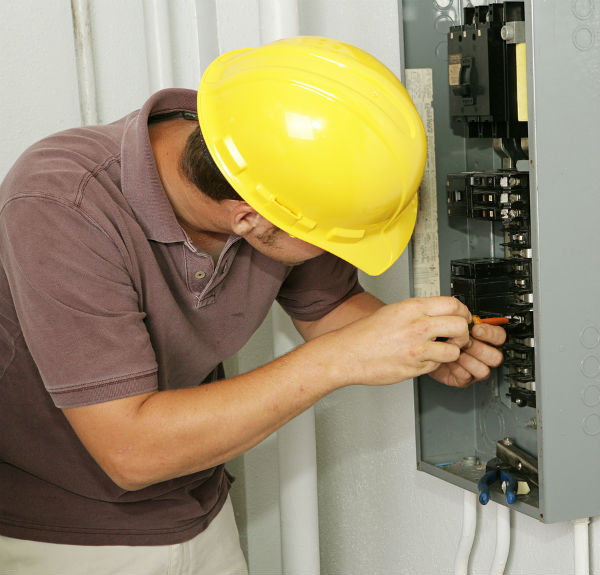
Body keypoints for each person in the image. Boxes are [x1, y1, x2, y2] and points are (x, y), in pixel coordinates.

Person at [0, 37, 505, 574]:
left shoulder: (273, 155)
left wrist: (428, 345)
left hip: (200, 511)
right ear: (249, 219)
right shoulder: (60, 205)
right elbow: (131, 451)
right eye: (328, 238)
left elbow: (329, 309)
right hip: (66, 542)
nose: (335, 251)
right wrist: (338, 361)